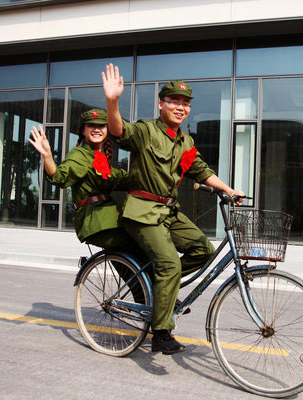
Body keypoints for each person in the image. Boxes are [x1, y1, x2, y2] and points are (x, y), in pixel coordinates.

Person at [102, 63, 244, 355]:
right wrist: (112, 101)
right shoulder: (146, 131)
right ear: (161, 104)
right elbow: (118, 131)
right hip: (141, 211)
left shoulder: (185, 141)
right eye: (174, 102)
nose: (181, 107)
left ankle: (161, 289)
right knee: (169, 264)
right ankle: (162, 333)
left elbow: (200, 170)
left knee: (202, 250)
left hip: (169, 212)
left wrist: (228, 189)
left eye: (185, 103)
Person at [28, 109, 139, 255]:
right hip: (96, 221)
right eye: (91, 126)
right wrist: (47, 156)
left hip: (109, 219)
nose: (97, 130)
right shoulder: (80, 155)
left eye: (101, 126)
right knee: (140, 243)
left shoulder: (99, 156)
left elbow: (121, 178)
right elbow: (60, 177)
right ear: (83, 131)